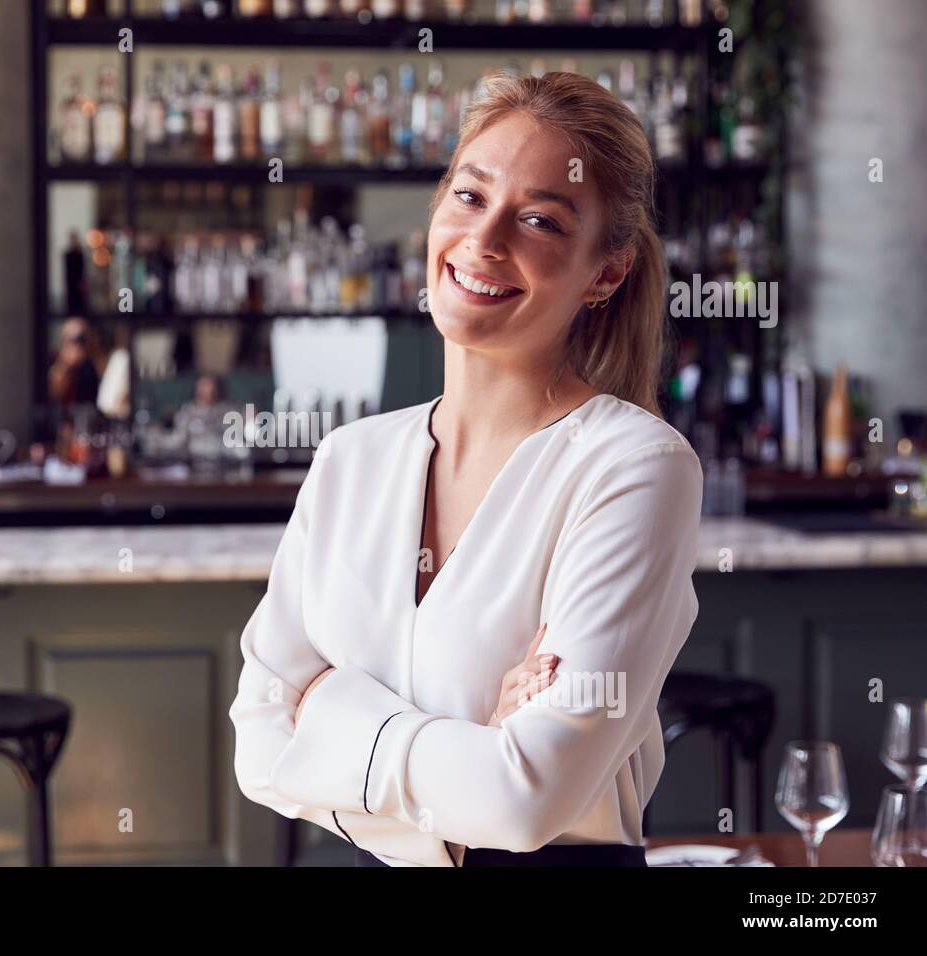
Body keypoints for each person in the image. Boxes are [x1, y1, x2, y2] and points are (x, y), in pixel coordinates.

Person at [227, 71, 704, 867]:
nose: (484, 243)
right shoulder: (352, 458)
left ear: (606, 272)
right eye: (470, 197)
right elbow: (257, 741)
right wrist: (473, 745)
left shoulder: (636, 469)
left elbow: (525, 801)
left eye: (542, 221)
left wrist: (330, 710)